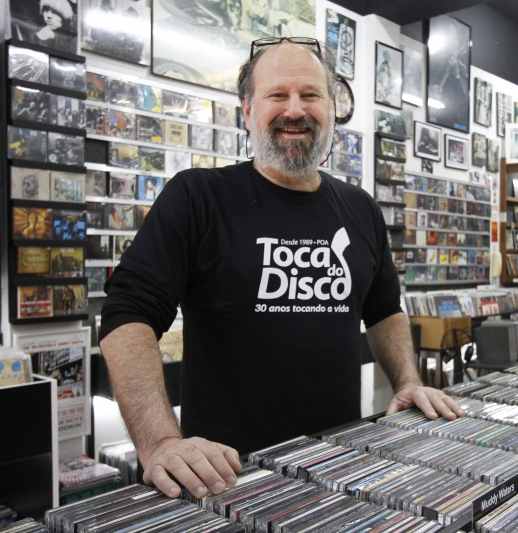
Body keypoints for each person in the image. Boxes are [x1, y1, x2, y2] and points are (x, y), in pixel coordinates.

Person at [99, 39, 463, 502]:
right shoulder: (197, 196)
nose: (296, 110)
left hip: (339, 472)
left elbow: (383, 309)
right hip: (226, 481)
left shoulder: (361, 209)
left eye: (311, 95)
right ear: (248, 110)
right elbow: (127, 311)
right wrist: (160, 442)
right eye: (278, 95)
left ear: (332, 109)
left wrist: (409, 382)